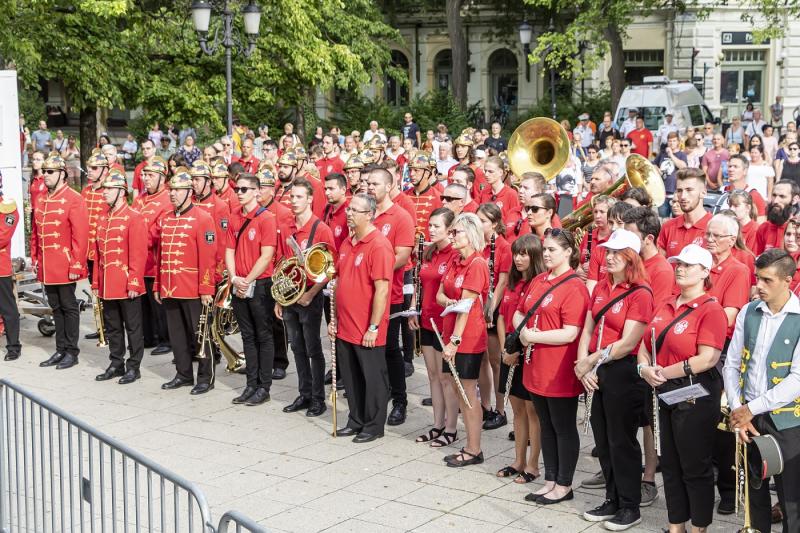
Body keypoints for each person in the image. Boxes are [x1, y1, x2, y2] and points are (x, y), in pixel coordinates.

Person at [638, 244, 727, 532]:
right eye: (678, 264)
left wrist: (662, 372)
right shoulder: (666, 302)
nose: (680, 269)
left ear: (705, 271)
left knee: (695, 465)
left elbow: (707, 358)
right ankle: (676, 524)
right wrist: (644, 368)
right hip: (661, 389)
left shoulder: (711, 309)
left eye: (688, 265)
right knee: (670, 463)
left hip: (693, 393)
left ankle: (699, 525)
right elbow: (646, 343)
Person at [576, 229, 654, 531]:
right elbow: (588, 328)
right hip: (597, 369)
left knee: (622, 441)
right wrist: (583, 366)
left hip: (623, 370)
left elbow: (628, 342)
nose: (608, 257)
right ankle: (612, 497)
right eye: (608, 252)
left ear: (630, 257)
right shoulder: (601, 286)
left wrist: (590, 360)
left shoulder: (641, 293)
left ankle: (630, 505)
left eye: (616, 253)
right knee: (603, 439)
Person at [724, 248, 800, 533]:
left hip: (787, 420)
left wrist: (749, 409)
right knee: (754, 491)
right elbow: (732, 364)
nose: (759, 286)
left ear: (788, 280)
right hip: (749, 415)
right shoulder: (749, 311)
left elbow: (797, 379)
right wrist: (737, 408)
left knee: (791, 498)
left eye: (767, 280)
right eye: (758, 278)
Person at [511, 229, 587, 501]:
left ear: (568, 252)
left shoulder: (574, 286)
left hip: (558, 368)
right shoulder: (539, 279)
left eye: (552, 249)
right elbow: (520, 310)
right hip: (536, 364)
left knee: (563, 426)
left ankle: (564, 484)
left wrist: (534, 336)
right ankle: (550, 478)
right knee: (545, 423)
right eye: (544, 249)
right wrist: (522, 330)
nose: (546, 254)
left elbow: (571, 332)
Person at [328, 193, 393, 442]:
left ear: (369, 215)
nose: (349, 213)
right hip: (345, 324)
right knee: (351, 376)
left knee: (372, 377)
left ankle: (374, 425)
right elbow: (339, 282)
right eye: (349, 209)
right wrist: (334, 319)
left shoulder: (379, 245)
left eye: (355, 210)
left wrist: (373, 327)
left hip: (366, 326)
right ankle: (355, 419)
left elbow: (382, 290)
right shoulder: (348, 242)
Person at [275, 179, 336, 417]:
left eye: (299, 197)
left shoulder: (321, 229)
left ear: (310, 199)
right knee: (296, 347)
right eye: (292, 197)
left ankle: (318, 398)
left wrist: (311, 294)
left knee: (312, 348)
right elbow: (282, 263)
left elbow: (331, 268)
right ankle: (305, 393)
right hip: (290, 295)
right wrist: (280, 299)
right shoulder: (286, 226)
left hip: (310, 296)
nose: (294, 201)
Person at [154, 167, 217, 395]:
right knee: (177, 335)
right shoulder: (166, 218)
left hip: (193, 289)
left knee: (200, 335)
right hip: (170, 287)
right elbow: (160, 256)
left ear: (189, 192)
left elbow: (208, 258)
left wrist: (206, 288)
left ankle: (206, 377)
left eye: (178, 190)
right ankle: (183, 374)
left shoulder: (203, 218)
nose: (172, 194)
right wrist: (158, 285)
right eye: (171, 190)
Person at [437, 213, 489, 466]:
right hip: (451, 331)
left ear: (470, 233)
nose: (452, 236)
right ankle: (470, 445)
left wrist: (454, 342)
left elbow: (466, 308)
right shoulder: (455, 259)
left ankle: (474, 449)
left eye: (456, 232)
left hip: (467, 338)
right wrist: (448, 301)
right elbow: (439, 294)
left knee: (468, 392)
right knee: (459, 390)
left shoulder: (476, 263)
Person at [365, 166, 415, 425]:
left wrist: (373, 272)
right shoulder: (365, 214)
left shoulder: (401, 216)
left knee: (391, 349)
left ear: (389, 185)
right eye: (368, 183)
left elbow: (402, 256)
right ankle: (376, 394)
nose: (370, 187)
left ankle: (400, 400)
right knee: (370, 349)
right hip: (363, 293)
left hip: (389, 293)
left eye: (375, 184)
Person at [31, 155, 88, 370]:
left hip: (64, 263)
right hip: (47, 264)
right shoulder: (41, 198)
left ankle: (72, 352)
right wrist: (35, 258)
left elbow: (80, 236)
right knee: (55, 307)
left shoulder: (74, 198)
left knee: (68, 306)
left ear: (62, 174)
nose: (45, 175)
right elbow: (35, 232)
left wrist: (76, 264)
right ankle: (60, 349)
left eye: (50, 172)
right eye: (44, 171)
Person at [225, 173, 277, 406]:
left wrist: (247, 280)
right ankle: (250, 384)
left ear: (257, 191)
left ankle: (264, 387)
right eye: (237, 189)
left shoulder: (266, 218)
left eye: (244, 189)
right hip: (239, 283)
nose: (239, 193)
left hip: (260, 284)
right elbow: (228, 250)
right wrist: (234, 278)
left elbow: (267, 256)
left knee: (263, 335)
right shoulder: (234, 216)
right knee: (247, 335)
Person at [410, 208, 460, 447]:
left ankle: (451, 428)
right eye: (430, 225)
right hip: (426, 318)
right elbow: (419, 282)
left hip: (444, 322)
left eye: (436, 226)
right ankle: (437, 424)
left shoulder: (455, 254)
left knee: (446, 377)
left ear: (450, 230)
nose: (431, 229)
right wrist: (414, 308)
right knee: (433, 376)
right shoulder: (430, 251)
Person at [92, 169, 147, 385]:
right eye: (104, 188)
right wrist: (96, 282)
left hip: (126, 283)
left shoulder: (134, 217)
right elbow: (98, 254)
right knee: (113, 327)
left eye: (109, 188)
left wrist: (134, 281)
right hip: (107, 283)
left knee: (133, 327)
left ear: (121, 192)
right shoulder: (102, 217)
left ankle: (134, 367)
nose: (104, 192)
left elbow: (138, 254)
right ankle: (116, 363)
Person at [132, 157, 173, 356]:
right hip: (139, 261)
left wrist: (134, 242)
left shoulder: (167, 199)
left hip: (155, 262)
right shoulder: (139, 199)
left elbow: (157, 232)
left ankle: (166, 339)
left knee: (158, 305)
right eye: (145, 175)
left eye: (151, 175)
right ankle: (148, 337)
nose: (146, 179)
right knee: (143, 304)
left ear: (162, 178)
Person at [477, 203, 512, 430]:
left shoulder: (503, 247)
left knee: (495, 360)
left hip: (493, 306)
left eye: (483, 221)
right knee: (481, 359)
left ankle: (500, 410)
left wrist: (491, 307)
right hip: (476, 303)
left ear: (495, 223)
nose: (479, 225)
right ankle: (485, 405)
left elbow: (502, 281)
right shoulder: (476, 243)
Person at [82, 153, 110, 341]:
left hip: (104, 250)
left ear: (105, 170)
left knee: (107, 290)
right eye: (89, 168)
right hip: (88, 250)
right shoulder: (85, 192)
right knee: (95, 289)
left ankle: (111, 327)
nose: (90, 172)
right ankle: (100, 327)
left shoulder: (109, 191)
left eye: (95, 168)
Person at [657, 169, 711, 257]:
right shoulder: (668, 227)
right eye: (679, 190)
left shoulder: (715, 227)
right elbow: (660, 262)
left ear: (703, 192)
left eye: (689, 190)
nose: (683, 196)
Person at [0, 189, 20, 361]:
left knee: (7, 309)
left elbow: (3, 237)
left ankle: (13, 346)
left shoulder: (7, 207)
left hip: (0, 268)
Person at [756, 179, 800, 254]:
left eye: (782, 196)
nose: (776, 201)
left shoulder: (798, 229)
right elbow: (758, 258)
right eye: (774, 195)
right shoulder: (764, 228)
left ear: (795, 200)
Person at [405, 153, 442, 238]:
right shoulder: (404, 195)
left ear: (426, 173)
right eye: (410, 170)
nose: (411, 174)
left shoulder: (438, 197)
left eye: (416, 170)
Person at [727, 154, 767, 221]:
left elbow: (760, 223)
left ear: (745, 171)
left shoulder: (753, 195)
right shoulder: (723, 190)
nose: (731, 169)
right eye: (730, 166)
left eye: (735, 167)